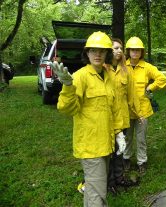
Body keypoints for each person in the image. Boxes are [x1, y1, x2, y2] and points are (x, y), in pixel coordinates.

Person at [52, 31, 126, 207]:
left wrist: (118, 133)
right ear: (87, 53)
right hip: (90, 145)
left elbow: (113, 108)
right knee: (97, 191)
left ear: (107, 53)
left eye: (101, 51)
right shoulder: (80, 76)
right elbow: (67, 108)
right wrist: (68, 86)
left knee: (95, 188)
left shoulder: (107, 75)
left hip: (106, 143)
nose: (98, 54)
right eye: (93, 50)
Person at [122, 36, 166, 175]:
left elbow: (162, 79)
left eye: (138, 50)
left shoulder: (147, 67)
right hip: (127, 109)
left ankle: (142, 161)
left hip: (143, 110)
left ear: (141, 52)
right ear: (128, 51)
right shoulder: (123, 66)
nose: (135, 52)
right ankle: (126, 159)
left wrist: (150, 88)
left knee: (141, 139)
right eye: (132, 50)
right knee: (127, 137)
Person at [106, 38, 139, 194]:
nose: (118, 51)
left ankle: (119, 178)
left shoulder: (126, 70)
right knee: (108, 152)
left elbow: (132, 95)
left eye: (120, 48)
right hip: (107, 119)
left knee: (119, 151)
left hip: (123, 118)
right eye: (114, 48)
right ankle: (109, 181)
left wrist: (138, 113)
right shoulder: (103, 69)